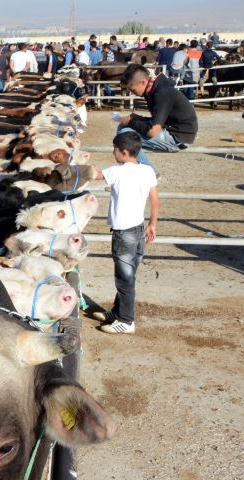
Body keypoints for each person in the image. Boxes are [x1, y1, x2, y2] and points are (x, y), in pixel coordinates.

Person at [90, 131, 159, 335]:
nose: (113, 153)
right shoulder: (147, 171)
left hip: (123, 233)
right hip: (138, 229)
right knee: (129, 273)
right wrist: (152, 224)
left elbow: (96, 174)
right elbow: (155, 201)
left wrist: (83, 165)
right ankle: (118, 312)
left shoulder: (116, 171)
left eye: (115, 150)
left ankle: (127, 321)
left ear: (124, 152)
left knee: (124, 277)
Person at [117, 64, 198, 175]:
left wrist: (131, 122)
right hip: (172, 130)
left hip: (178, 137)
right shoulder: (156, 89)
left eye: (133, 89)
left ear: (143, 82)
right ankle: (130, 173)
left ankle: (151, 174)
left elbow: (153, 131)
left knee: (125, 136)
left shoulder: (161, 93)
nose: (132, 93)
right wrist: (140, 119)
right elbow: (160, 120)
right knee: (123, 130)